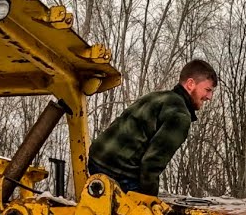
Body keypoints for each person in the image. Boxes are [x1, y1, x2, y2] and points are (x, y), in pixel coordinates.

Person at [88, 59, 219, 195]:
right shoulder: (180, 115)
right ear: (191, 84)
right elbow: (151, 163)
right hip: (118, 173)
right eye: (207, 90)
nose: (209, 97)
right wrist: (149, 200)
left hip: (96, 159)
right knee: (151, 212)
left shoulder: (157, 96)